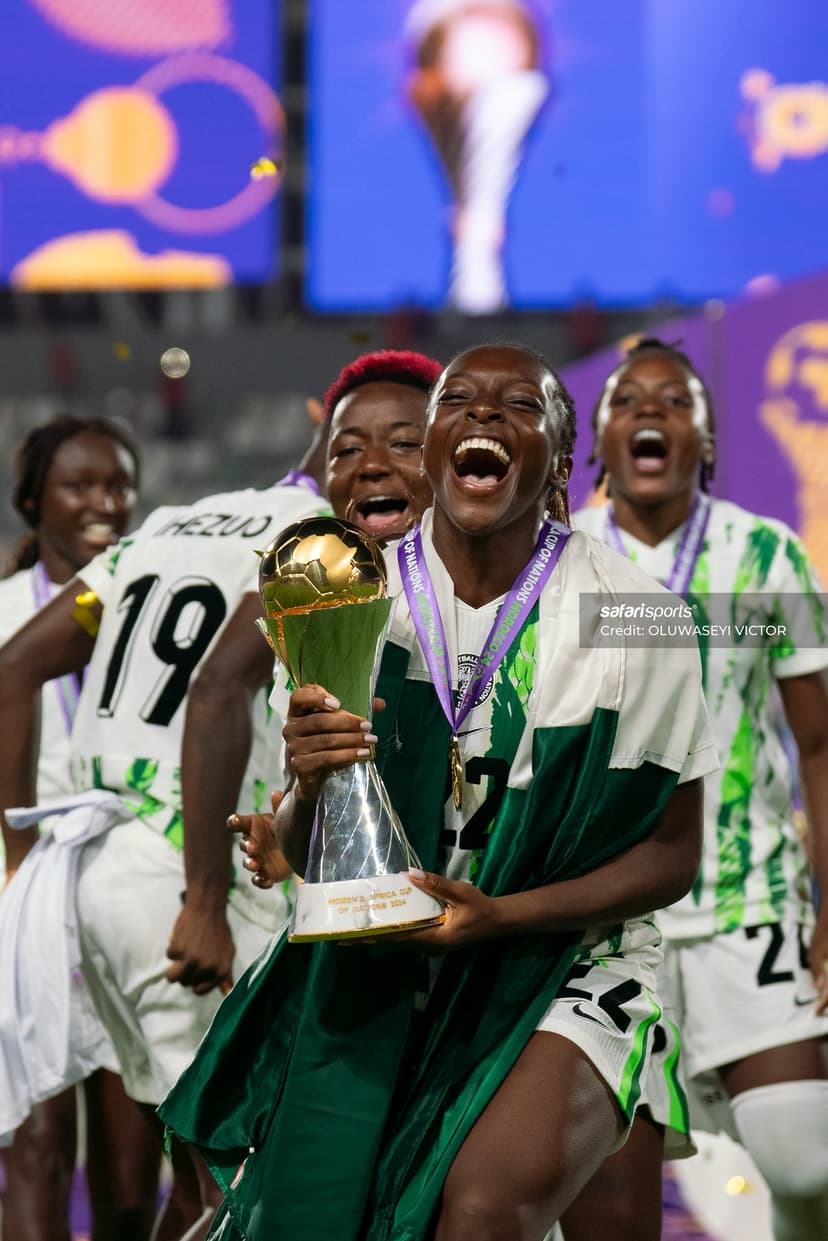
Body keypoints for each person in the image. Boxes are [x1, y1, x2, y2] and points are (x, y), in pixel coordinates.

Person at [159, 342, 718, 1241]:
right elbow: (314, 849)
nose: (486, 414)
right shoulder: (347, 591)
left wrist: (498, 916)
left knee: (481, 1211)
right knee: (268, 1209)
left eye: (521, 406)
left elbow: (669, 853)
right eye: (460, 398)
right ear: (434, 445)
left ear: (564, 464)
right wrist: (307, 782)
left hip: (564, 958)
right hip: (383, 961)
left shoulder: (638, 614)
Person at [0, 449, 330, 1240]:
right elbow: (217, 689)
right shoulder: (310, 538)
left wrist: (19, 863)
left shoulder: (169, 524)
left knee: (174, 1183)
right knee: (243, 1182)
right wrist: (205, 899)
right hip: (187, 868)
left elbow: (14, 666)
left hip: (90, 871)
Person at [571, 337, 828, 1241]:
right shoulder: (554, 558)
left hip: (745, 897)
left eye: (676, 401)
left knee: (806, 1156)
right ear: (597, 440)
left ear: (706, 442)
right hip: (602, 916)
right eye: (627, 401)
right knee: (604, 1193)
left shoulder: (768, 552)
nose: (650, 412)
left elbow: (820, 742)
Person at [181, 349, 442, 910]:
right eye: (345, 449)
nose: (371, 464)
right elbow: (307, 813)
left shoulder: (552, 582)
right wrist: (295, 818)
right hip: (379, 923)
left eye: (404, 443)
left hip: (527, 927)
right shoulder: (316, 606)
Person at [0, 415, 163, 1241]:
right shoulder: (0, 615)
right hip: (16, 904)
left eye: (119, 485)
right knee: (35, 1149)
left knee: (133, 1181)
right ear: (34, 501)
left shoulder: (161, 615)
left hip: (125, 907)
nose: (105, 502)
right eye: (80, 485)